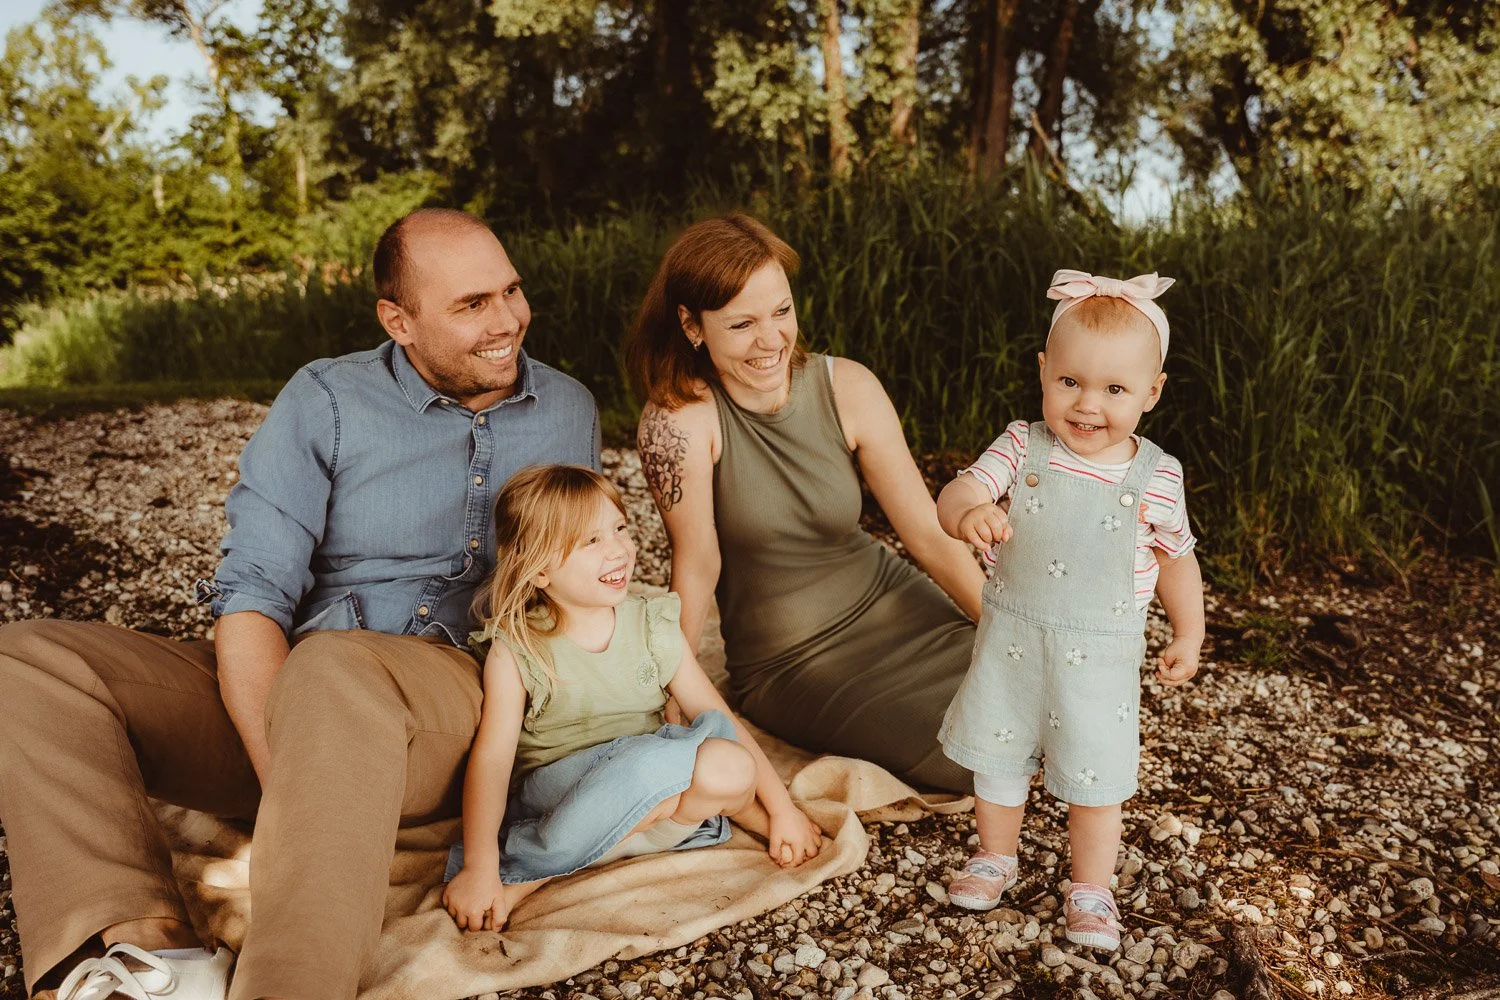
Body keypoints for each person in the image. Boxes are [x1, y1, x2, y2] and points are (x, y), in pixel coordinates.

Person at [0, 208, 599, 1000]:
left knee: (335, 667)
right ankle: (153, 952)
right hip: (293, 706)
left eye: (511, 291)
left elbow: (578, 593)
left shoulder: (569, 409)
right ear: (399, 320)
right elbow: (251, 596)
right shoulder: (327, 400)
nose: (508, 320)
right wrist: (294, 786)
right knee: (30, 661)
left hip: (453, 711)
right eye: (471, 304)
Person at [625, 214, 986, 794]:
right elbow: (696, 564)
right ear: (693, 327)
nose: (771, 340)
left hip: (894, 606)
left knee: (1046, 696)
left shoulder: (848, 386)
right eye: (741, 324)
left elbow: (926, 532)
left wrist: (1002, 628)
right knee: (969, 755)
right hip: (793, 662)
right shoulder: (679, 421)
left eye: (782, 312)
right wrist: (679, 690)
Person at [934, 269, 1206, 952]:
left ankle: (1091, 889)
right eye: (1070, 382)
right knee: (998, 752)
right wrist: (970, 513)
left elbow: (1176, 558)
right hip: (1013, 641)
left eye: (1115, 390)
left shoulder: (1156, 476)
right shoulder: (1022, 446)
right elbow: (957, 492)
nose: (1088, 404)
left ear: (1152, 392)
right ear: (1044, 372)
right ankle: (995, 855)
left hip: (1100, 658)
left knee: (1095, 773)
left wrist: (1190, 630)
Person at [441, 465, 824, 931]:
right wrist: (479, 866)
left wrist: (782, 808)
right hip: (564, 790)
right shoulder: (518, 648)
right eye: (591, 542)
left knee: (729, 764)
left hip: (655, 772)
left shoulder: (651, 625)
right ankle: (526, 871)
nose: (619, 549)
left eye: (619, 528)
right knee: (652, 768)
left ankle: (591, 851)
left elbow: (716, 715)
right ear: (539, 570)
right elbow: (493, 760)